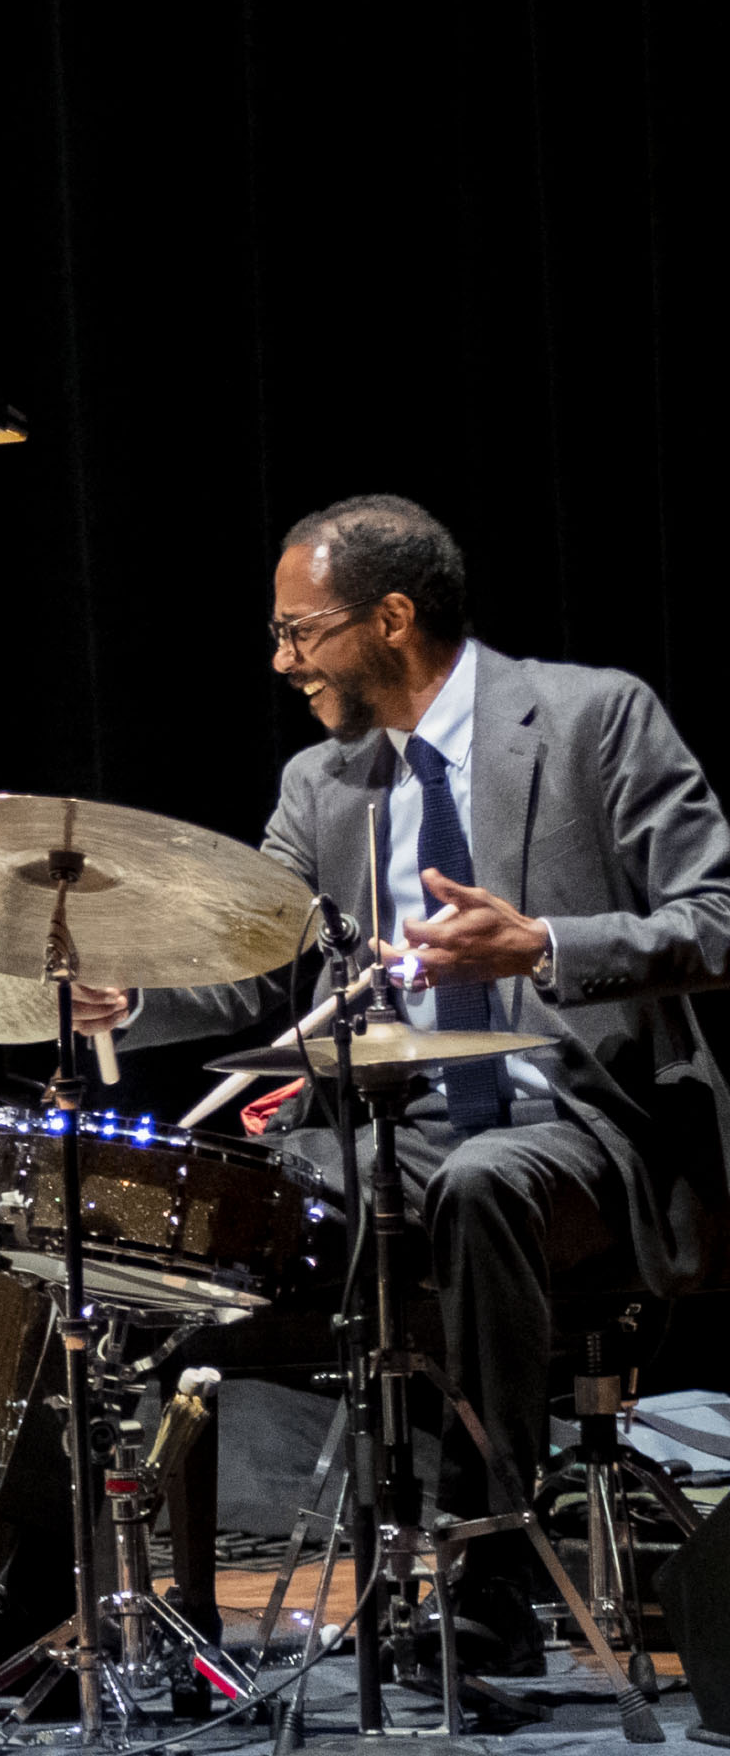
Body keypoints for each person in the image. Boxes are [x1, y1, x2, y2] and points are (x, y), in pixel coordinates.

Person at [102, 496, 730, 1671]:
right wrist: (129, 1003)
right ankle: (137, 1598)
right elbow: (250, 960)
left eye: (301, 630)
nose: (280, 659)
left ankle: (485, 1563)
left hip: (581, 1128)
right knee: (167, 1207)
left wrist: (541, 941)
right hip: (392, 1129)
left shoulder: (593, 718)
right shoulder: (320, 785)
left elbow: (713, 919)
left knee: (480, 1182)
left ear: (390, 617)